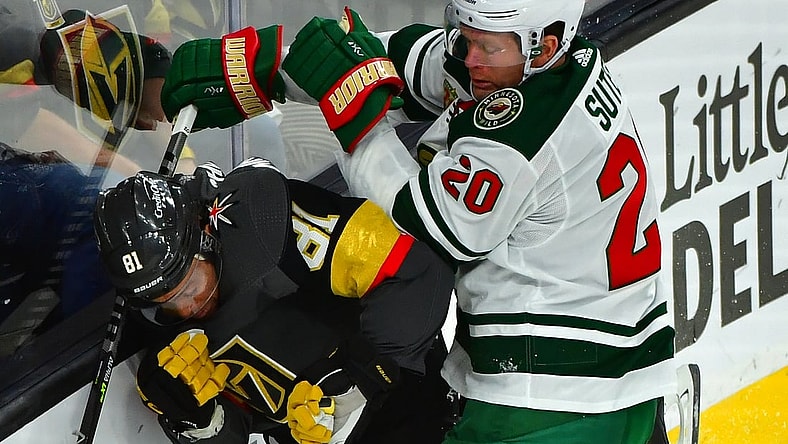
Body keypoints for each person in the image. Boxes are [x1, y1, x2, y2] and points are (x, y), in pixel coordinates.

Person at [157, 1, 677, 443]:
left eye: (488, 46)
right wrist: (271, 69)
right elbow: (393, 64)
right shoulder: (544, 60)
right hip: (629, 379)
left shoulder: (520, 134)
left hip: (547, 401)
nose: (469, 56)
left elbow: (420, 224)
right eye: (466, 33)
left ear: (542, 46)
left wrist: (356, 115)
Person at [93, 157, 457, 443]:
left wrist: (363, 374)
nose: (188, 309)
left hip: (413, 413)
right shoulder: (160, 327)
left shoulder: (263, 218)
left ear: (206, 234)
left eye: (190, 287)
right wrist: (200, 421)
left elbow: (417, 271)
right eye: (166, 305)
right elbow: (242, 431)